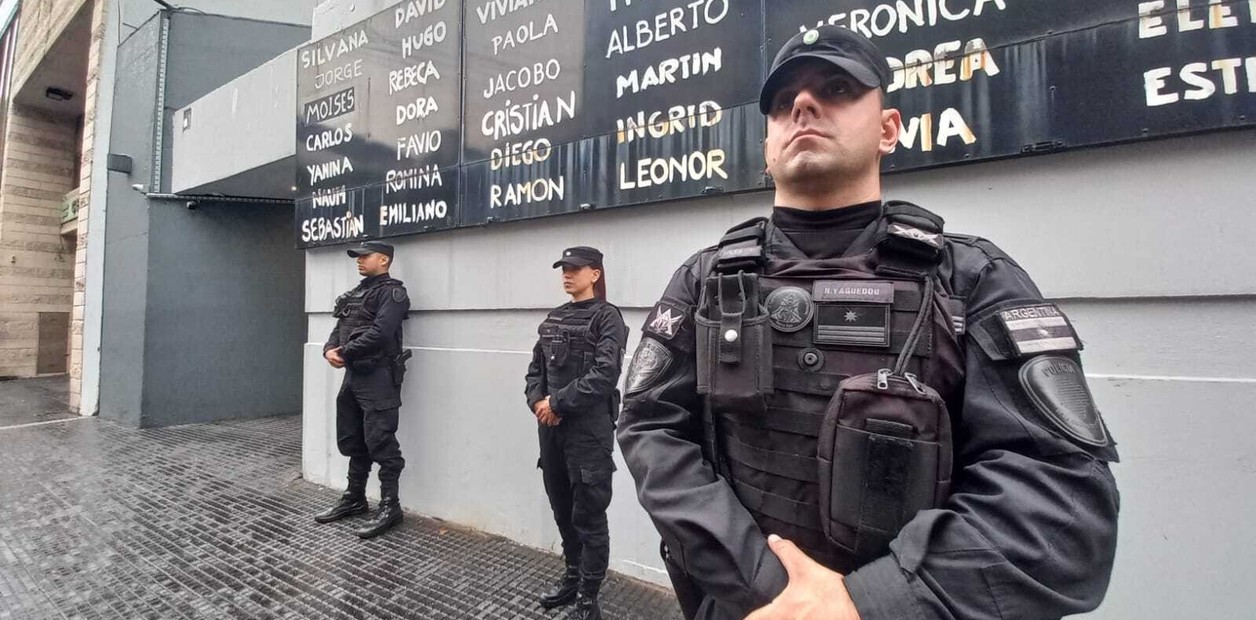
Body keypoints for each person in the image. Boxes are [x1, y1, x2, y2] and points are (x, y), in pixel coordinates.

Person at [616, 26, 1120, 620]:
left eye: (836, 88)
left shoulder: (969, 278)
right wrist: (773, 588)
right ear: (768, 142)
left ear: (888, 128)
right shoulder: (706, 280)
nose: (803, 105)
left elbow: (1063, 501)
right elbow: (651, 428)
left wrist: (864, 604)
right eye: (782, 103)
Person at [525, 246, 630, 620]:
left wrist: (556, 404)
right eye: (564, 269)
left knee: (589, 514)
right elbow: (534, 370)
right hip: (551, 430)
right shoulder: (554, 318)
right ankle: (571, 578)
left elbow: (604, 377)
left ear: (595, 274)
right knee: (563, 508)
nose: (567, 275)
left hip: (588, 432)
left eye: (575, 269)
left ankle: (588, 597)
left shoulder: (607, 319)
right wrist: (538, 400)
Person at [315, 240, 413, 540]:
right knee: (354, 438)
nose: (359, 260)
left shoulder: (393, 293)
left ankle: (390, 506)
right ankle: (355, 497)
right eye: (357, 256)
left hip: (378, 376)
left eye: (364, 256)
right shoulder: (356, 293)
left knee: (380, 440)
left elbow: (381, 333)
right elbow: (339, 327)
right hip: (354, 376)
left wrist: (345, 352)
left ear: (384, 260)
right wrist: (329, 349)